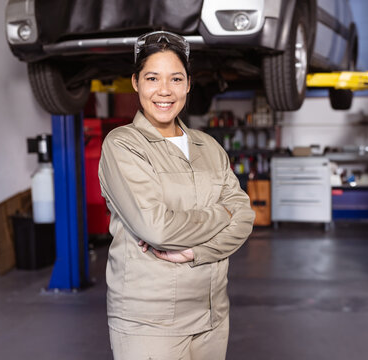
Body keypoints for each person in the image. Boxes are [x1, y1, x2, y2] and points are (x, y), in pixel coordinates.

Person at [98, 30, 255, 360]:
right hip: (150, 322)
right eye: (152, 78)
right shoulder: (123, 145)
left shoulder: (208, 146)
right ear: (136, 83)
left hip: (212, 314)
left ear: (187, 85)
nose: (164, 90)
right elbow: (158, 229)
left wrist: (194, 252)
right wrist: (222, 214)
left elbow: (245, 218)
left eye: (175, 78)